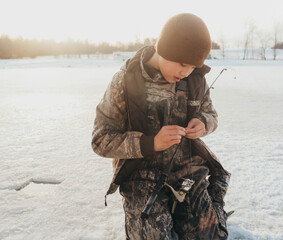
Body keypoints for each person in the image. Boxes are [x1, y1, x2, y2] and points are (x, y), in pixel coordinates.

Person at [91, 13, 231, 240]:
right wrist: (150, 143)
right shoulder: (126, 81)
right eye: (182, 64)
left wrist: (203, 123)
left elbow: (211, 114)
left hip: (188, 173)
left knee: (210, 236)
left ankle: (212, 205)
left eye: (193, 66)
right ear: (164, 50)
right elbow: (100, 139)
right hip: (141, 176)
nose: (185, 72)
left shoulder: (195, 80)